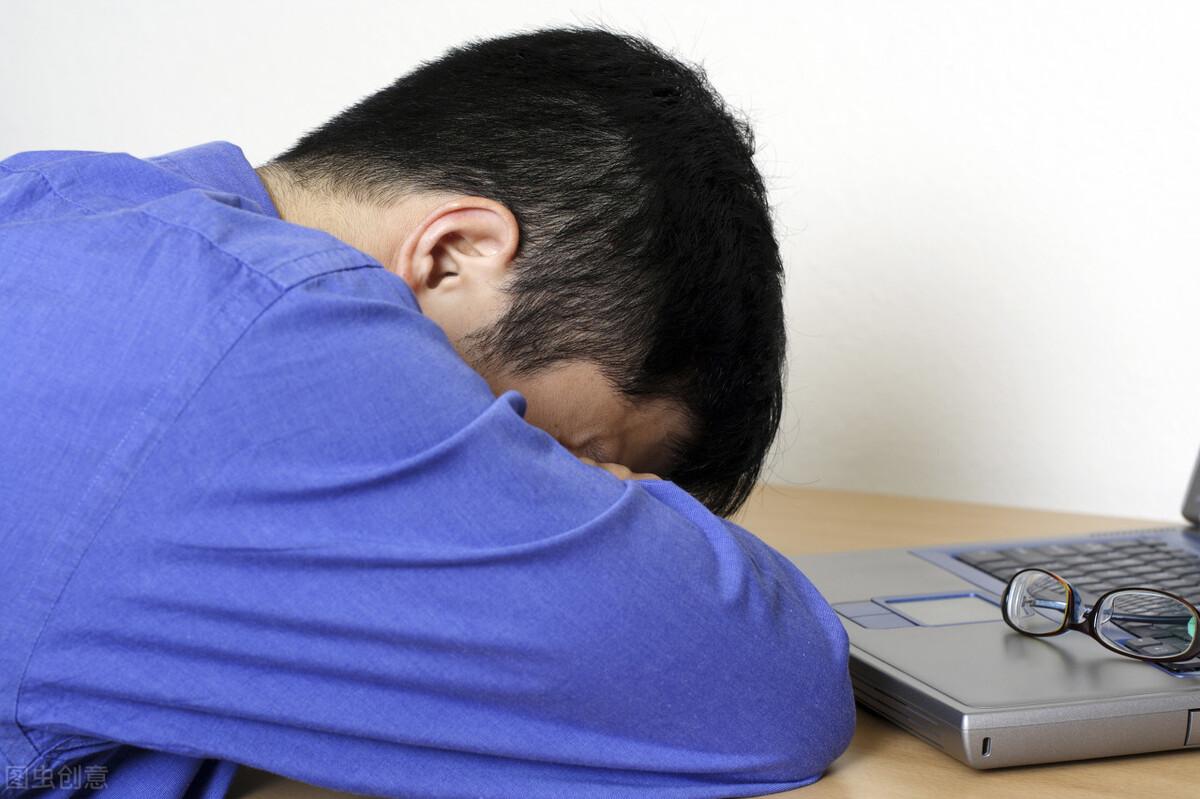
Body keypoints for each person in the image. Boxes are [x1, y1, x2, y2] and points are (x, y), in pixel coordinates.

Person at [0, 26, 854, 799]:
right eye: (558, 450)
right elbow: (768, 691)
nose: (561, 491)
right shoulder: (277, 332)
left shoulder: (53, 200)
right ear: (454, 254)